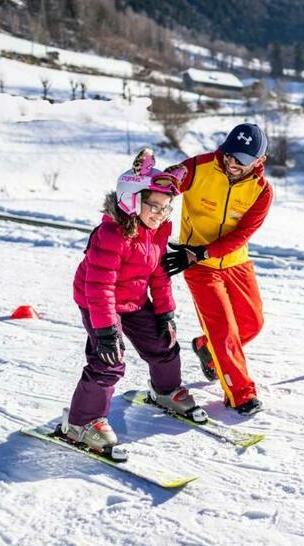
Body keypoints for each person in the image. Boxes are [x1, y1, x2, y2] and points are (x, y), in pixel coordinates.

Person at [63, 148, 206, 452]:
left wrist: (166, 313)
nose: (160, 213)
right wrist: (105, 331)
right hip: (98, 300)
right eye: (153, 205)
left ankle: (165, 391)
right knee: (109, 360)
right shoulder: (112, 233)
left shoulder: (157, 231)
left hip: (134, 299)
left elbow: (158, 274)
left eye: (166, 207)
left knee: (163, 342)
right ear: (132, 198)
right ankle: (81, 422)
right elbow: (99, 285)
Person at [162, 123, 273, 416]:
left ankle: (205, 347)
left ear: (259, 162)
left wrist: (207, 250)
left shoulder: (262, 191)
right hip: (197, 264)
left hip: (235, 260)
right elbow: (170, 181)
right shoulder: (200, 167)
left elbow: (242, 234)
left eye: (242, 161)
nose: (232, 163)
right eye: (229, 155)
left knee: (252, 323)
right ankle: (241, 393)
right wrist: (160, 181)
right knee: (222, 329)